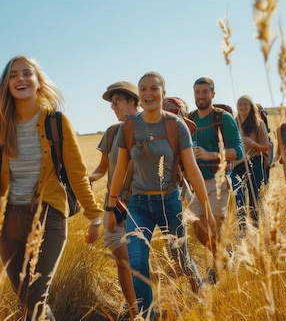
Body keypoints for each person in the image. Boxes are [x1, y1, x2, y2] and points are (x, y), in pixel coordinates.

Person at [0, 56, 102, 321]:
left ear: (38, 81)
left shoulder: (56, 121)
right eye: (13, 74)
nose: (20, 79)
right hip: (8, 223)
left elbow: (77, 173)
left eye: (27, 73)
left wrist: (94, 215)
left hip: (49, 216)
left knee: (34, 297)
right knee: (27, 301)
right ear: (6, 84)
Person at [105, 71, 216, 319]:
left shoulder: (175, 126)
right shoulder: (130, 126)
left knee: (181, 258)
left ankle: (200, 294)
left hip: (169, 202)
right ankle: (148, 316)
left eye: (153, 88)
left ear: (163, 93)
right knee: (137, 262)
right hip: (139, 205)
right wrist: (110, 208)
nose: (148, 93)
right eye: (143, 89)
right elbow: (120, 169)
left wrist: (206, 209)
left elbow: (192, 169)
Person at [89, 81, 141, 318]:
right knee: (122, 262)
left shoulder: (149, 128)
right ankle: (134, 311)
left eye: (116, 101)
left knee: (138, 262)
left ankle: (144, 306)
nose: (112, 107)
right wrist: (90, 178)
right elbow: (102, 167)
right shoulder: (111, 132)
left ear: (132, 100)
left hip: (140, 208)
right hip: (114, 208)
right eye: (111, 103)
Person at [188, 77, 243, 282]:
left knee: (213, 227)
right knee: (197, 226)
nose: (200, 96)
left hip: (218, 179)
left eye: (204, 92)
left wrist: (210, 154)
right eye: (197, 92)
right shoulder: (190, 119)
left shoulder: (223, 118)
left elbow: (238, 151)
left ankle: (217, 271)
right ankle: (224, 257)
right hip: (196, 182)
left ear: (212, 94)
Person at [231, 95, 271, 229]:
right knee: (239, 197)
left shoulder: (258, 123)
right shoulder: (234, 123)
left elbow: (266, 146)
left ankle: (255, 227)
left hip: (254, 163)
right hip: (237, 165)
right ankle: (242, 228)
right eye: (240, 104)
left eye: (245, 104)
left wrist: (253, 143)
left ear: (251, 106)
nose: (242, 107)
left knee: (254, 196)